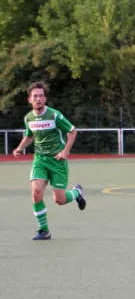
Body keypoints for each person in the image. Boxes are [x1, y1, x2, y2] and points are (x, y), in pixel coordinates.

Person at [12, 82, 87, 240]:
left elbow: (72, 132)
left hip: (57, 161)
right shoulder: (29, 118)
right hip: (40, 160)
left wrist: (65, 151)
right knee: (36, 193)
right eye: (35, 96)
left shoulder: (54, 115)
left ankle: (77, 192)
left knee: (59, 200)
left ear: (45, 99)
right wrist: (20, 148)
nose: (38, 98)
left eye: (41, 95)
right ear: (29, 100)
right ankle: (44, 230)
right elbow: (30, 135)